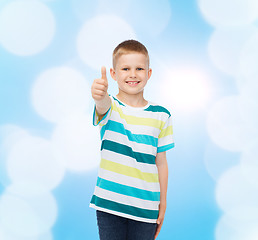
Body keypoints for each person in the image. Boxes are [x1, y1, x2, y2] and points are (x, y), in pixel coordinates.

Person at [90, 39, 174, 240]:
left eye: (139, 68)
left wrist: (163, 202)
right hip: (110, 205)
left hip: (146, 207)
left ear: (149, 73)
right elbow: (102, 105)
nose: (133, 74)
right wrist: (99, 95)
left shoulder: (162, 115)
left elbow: (161, 162)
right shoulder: (111, 107)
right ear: (113, 74)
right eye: (126, 68)